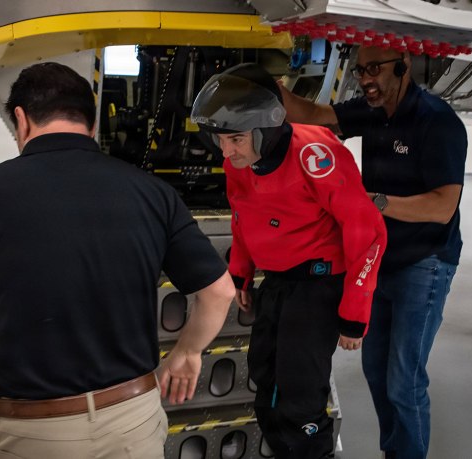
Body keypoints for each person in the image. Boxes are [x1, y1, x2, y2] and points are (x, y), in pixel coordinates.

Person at [0, 62, 235, 459]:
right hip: (132, 419)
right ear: (90, 121)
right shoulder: (152, 193)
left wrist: (25, 308)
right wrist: (188, 352)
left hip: (35, 432)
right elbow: (219, 291)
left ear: (21, 118)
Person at [191, 63, 387, 459]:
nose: (226, 152)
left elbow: (368, 233)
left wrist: (354, 314)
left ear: (268, 126)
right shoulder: (240, 161)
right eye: (219, 140)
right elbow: (243, 214)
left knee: (299, 397)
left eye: (236, 139)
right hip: (276, 284)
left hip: (317, 288)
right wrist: (242, 274)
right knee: (266, 383)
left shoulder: (316, 153)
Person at [279, 45, 467, 459]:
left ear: (403, 66)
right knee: (376, 372)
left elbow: (442, 207)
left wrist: (372, 202)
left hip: (426, 263)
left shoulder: (437, 122)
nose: (365, 79)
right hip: (382, 258)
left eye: (375, 69)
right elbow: (311, 115)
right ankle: (393, 452)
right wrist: (267, 85)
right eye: (361, 70)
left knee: (404, 379)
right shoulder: (373, 109)